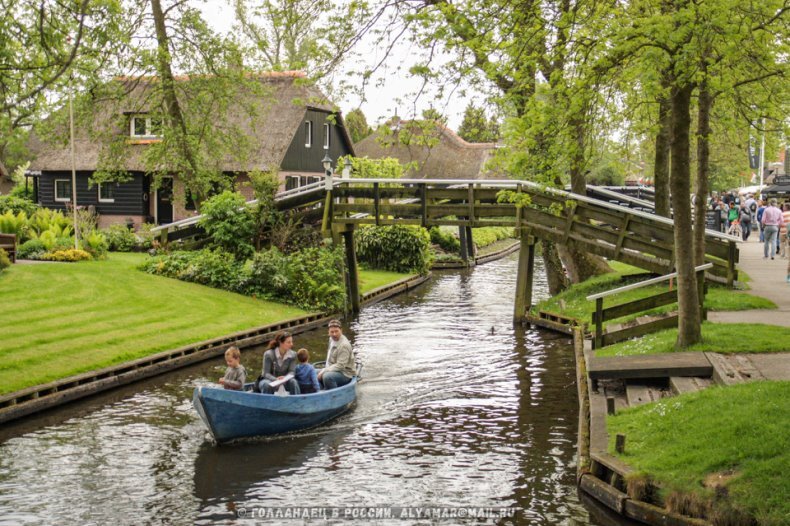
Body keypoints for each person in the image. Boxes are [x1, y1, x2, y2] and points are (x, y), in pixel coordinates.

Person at [318, 319, 356, 390]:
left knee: (327, 377)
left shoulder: (344, 345)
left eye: (336, 331)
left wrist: (325, 370)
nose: (334, 334)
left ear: (341, 330)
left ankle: (333, 395)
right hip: (332, 368)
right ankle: (320, 390)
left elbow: (340, 366)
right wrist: (324, 370)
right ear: (328, 332)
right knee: (313, 373)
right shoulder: (331, 339)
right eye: (332, 332)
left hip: (345, 373)